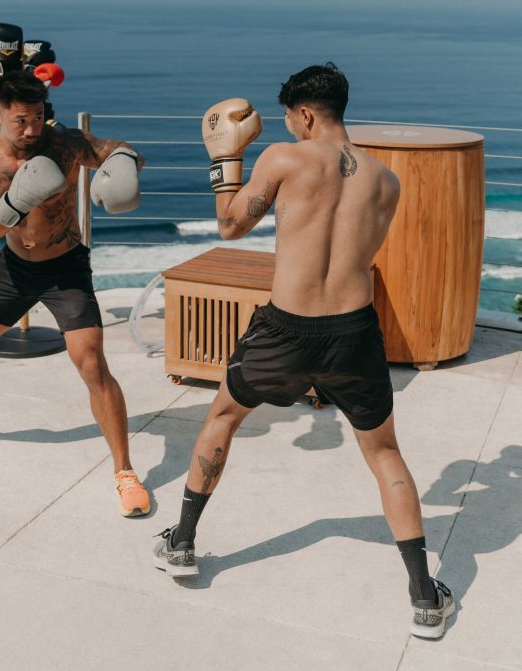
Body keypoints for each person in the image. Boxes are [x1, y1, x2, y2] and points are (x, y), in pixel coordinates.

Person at [153, 63, 455, 639]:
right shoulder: (387, 181)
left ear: (306, 114)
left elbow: (229, 226)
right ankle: (423, 597)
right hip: (352, 332)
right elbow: (356, 249)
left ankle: (183, 543)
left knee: (221, 417)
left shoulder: (283, 160)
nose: (290, 128)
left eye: (292, 118)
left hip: (285, 327)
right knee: (384, 453)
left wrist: (223, 160)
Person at [0, 71, 151, 517]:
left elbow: (120, 150)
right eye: (21, 120)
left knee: (91, 364)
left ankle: (124, 471)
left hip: (66, 268)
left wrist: (123, 166)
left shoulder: (64, 143)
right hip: (13, 270)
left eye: (39, 117)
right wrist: (14, 202)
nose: (31, 130)